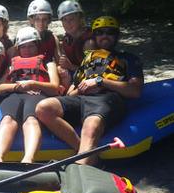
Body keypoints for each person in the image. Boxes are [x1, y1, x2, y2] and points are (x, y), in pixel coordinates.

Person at [36, 16, 143, 166]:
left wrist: (100, 81)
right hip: (81, 98)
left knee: (90, 125)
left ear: (117, 36)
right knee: (44, 108)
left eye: (109, 32)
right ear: (94, 36)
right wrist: (78, 89)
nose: (104, 36)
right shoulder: (88, 59)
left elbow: (134, 90)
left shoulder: (128, 59)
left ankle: (80, 170)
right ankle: (90, 155)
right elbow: (72, 90)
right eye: (100, 33)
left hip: (107, 99)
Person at [0, 27, 60, 163]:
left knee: (31, 120)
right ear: (18, 48)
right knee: (7, 120)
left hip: (38, 95)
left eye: (31, 46)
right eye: (24, 47)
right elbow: (0, 88)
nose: (28, 50)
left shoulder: (49, 63)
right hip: (15, 95)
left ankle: (28, 160)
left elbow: (55, 88)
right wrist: (19, 87)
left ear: (38, 46)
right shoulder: (12, 65)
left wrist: (33, 84)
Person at [57, 0, 94, 89]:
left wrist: (71, 66)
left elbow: (93, 72)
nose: (68, 23)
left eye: (71, 19)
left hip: (87, 82)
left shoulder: (88, 43)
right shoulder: (67, 39)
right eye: (64, 20)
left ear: (80, 19)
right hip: (73, 75)